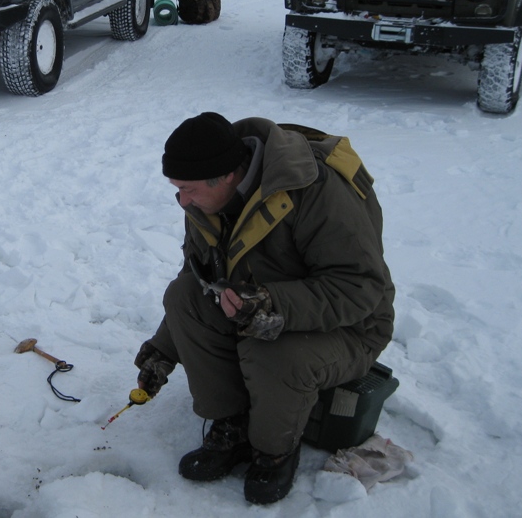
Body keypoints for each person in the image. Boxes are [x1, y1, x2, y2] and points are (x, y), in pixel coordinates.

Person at [134, 113, 395, 505]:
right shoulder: (206, 205)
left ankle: (275, 450)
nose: (181, 200)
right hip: (255, 309)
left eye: (187, 189)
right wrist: (163, 350)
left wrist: (272, 305)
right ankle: (232, 425)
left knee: (270, 347)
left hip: (349, 326)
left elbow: (360, 287)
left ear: (225, 176)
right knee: (183, 296)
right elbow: (200, 279)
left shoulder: (315, 192)